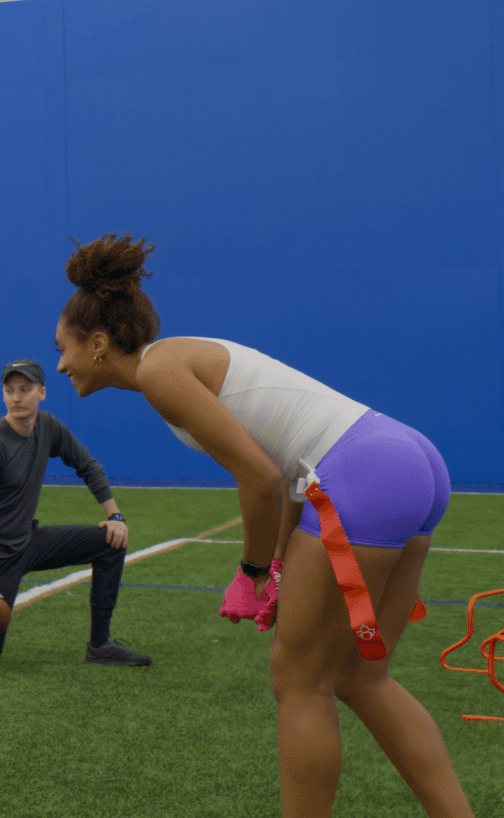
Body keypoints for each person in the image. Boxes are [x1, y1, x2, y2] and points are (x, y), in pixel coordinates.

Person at [56, 234, 471, 818]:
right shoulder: (178, 358)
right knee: (361, 678)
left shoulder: (158, 371)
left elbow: (259, 479)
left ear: (98, 344)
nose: (59, 362)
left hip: (367, 472)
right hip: (408, 460)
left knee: (298, 680)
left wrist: (249, 574)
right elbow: (290, 469)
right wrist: (278, 567)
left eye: (63, 347)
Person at [0, 358, 150, 666]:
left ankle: (100, 645)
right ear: (2, 396)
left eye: (25, 389)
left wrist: (116, 516)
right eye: (9, 390)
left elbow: (88, 466)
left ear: (42, 393)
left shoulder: (48, 427)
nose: (16, 397)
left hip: (26, 542)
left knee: (111, 542)